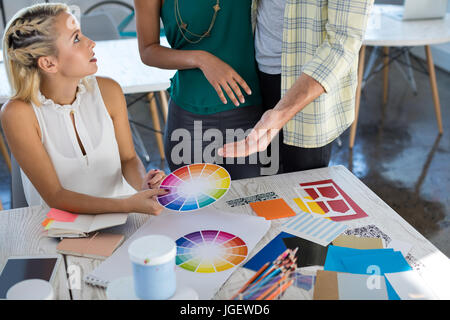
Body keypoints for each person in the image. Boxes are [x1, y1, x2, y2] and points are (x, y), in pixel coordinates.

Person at [0, 3, 168, 215]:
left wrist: (141, 186)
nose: (91, 43)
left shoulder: (109, 91)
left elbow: (128, 159)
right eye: (76, 39)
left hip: (124, 219)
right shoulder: (18, 114)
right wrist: (127, 204)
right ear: (48, 63)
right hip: (62, 230)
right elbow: (55, 196)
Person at [219, 0, 374, 173]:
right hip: (257, 74)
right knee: (265, 184)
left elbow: (342, 44)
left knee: (302, 188)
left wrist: (280, 114)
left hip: (309, 92)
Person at [134, 0, 267, 180]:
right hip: (190, 121)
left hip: (251, 113)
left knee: (256, 202)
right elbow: (148, 50)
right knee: (196, 205)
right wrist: (201, 59)